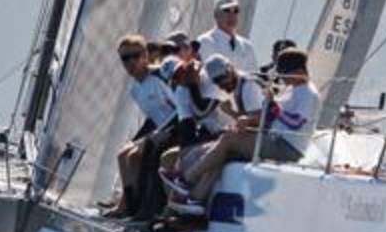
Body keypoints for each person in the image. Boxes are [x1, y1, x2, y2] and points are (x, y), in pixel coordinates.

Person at [168, 48, 318, 215]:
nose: (280, 78)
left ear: (298, 71)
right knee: (225, 149)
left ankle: (186, 179)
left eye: (283, 73)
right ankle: (195, 199)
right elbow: (272, 116)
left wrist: (273, 107)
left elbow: (296, 122)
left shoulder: (309, 93)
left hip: (288, 147)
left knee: (229, 141)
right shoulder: (292, 89)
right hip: (275, 139)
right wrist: (249, 116)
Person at [105, 35, 178, 219]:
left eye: (135, 56)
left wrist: (159, 133)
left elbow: (181, 108)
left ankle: (147, 209)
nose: (130, 62)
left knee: (147, 154)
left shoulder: (160, 76)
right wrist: (143, 137)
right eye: (125, 58)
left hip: (178, 129)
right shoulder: (135, 89)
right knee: (124, 155)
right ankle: (127, 205)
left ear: (145, 55)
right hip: (160, 130)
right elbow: (154, 117)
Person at [197, 0, 257, 74]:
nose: (232, 15)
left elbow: (254, 76)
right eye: (226, 10)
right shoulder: (205, 42)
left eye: (236, 11)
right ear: (216, 14)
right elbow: (210, 74)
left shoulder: (247, 46)